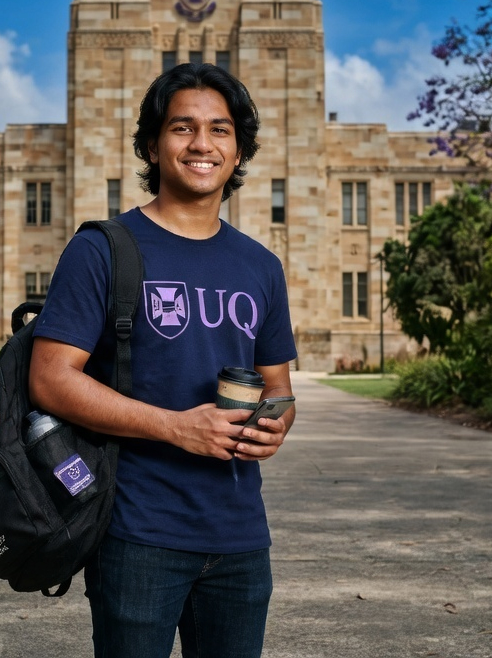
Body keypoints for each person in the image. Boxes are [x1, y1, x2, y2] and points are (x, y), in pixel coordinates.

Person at [29, 62, 297, 658]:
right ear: (153, 145)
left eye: (220, 130)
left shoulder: (260, 266)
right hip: (137, 535)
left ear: (239, 149)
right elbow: (49, 380)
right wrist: (177, 428)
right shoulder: (102, 249)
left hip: (240, 539)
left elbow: (279, 387)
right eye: (183, 128)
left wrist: (273, 426)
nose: (202, 144)